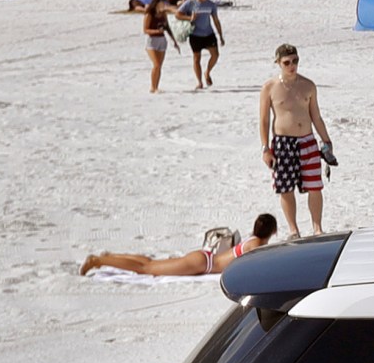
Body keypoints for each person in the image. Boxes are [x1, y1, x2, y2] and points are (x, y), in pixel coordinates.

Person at [258, 44, 334, 237]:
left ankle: (317, 227)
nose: (292, 65)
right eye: (287, 62)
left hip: (307, 140)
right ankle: (293, 229)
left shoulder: (308, 85)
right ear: (278, 63)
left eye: (295, 61)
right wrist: (265, 148)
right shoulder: (270, 87)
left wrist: (326, 141)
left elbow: (316, 116)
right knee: (285, 187)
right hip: (283, 143)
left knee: (315, 185)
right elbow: (264, 120)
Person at [82, 214, 278, 277]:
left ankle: (110, 256)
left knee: (151, 263)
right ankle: (99, 261)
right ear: (273, 231)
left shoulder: (252, 240)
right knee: (148, 268)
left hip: (205, 258)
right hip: (203, 264)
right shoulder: (256, 246)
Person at [179, 0, 226, 90]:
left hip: (208, 33)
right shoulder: (190, 3)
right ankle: (199, 82)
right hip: (195, 35)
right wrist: (190, 18)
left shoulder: (211, 4)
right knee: (196, 58)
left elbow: (216, 20)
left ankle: (207, 72)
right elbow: (178, 14)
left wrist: (221, 35)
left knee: (215, 55)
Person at [141, 0, 174, 93]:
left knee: (159, 65)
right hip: (151, 41)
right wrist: (156, 31)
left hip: (162, 40)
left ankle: (156, 86)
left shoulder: (163, 14)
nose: (163, 6)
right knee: (156, 64)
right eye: (161, 4)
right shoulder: (149, 14)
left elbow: (167, 27)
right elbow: (145, 30)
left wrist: (174, 40)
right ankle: (153, 87)